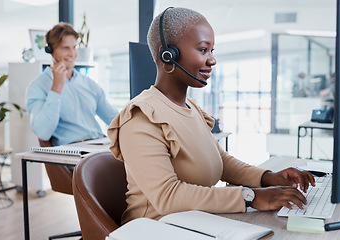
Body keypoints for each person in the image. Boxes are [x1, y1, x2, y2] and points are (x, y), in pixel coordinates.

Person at [107, 7, 315, 224]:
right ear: (168, 54)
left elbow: (220, 162)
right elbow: (167, 197)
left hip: (194, 223)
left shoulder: (190, 108)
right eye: (203, 50)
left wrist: (268, 177)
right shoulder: (141, 117)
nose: (212, 60)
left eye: (212, 50)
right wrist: (251, 197)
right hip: (155, 228)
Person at [26, 22, 118, 146]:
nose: (72, 54)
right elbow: (42, 132)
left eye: (74, 47)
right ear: (51, 50)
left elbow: (114, 119)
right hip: (73, 152)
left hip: (100, 145)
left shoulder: (88, 83)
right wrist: (56, 87)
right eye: (65, 48)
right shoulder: (37, 86)